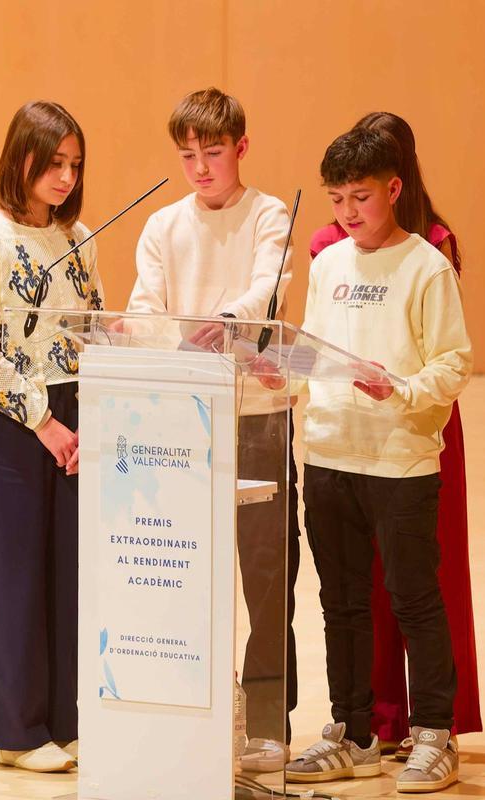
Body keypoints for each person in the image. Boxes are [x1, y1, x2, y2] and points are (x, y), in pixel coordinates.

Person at [285, 128, 471, 793]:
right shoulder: (330, 265)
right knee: (341, 602)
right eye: (337, 199)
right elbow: (311, 351)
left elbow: (454, 361)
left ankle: (433, 736)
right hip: (330, 454)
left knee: (415, 600)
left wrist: (404, 389)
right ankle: (353, 732)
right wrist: (282, 372)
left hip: (399, 462)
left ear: (394, 189)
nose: (347, 212)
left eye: (360, 197)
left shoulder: (426, 266)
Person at [127, 87, 299, 772]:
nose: (200, 168)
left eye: (214, 153)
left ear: (242, 149)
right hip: (181, 419)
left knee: (264, 578)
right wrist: (165, 338)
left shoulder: (269, 215)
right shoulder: (163, 226)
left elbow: (267, 291)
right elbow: (144, 313)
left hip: (259, 412)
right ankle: (192, 709)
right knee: (184, 575)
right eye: (188, 155)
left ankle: (265, 722)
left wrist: (222, 322)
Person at [0, 100, 101, 773]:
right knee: (13, 574)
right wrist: (42, 421)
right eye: (54, 163)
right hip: (13, 419)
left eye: (75, 165)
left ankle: (66, 721)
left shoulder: (80, 236)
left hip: (74, 412)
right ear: (21, 159)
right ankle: (15, 731)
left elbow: (95, 323)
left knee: (69, 572)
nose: (65, 177)